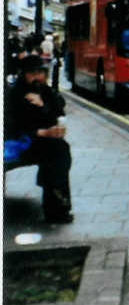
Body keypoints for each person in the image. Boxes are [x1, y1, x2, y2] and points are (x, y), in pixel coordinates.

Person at [4, 55, 73, 223]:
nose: (37, 77)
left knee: (60, 148)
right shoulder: (15, 95)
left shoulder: (46, 92)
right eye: (32, 73)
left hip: (43, 142)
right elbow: (11, 128)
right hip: (21, 145)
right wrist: (40, 133)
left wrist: (42, 105)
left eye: (40, 73)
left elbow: (58, 114)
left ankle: (57, 204)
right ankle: (56, 203)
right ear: (24, 74)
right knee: (55, 151)